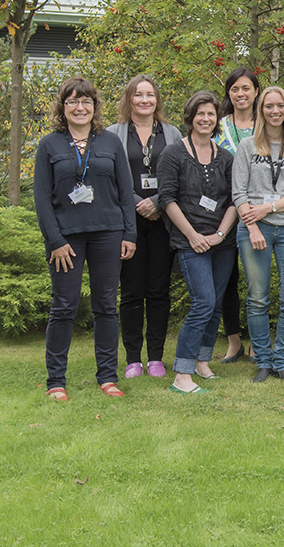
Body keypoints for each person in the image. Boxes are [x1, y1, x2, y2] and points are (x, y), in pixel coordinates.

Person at [34, 77, 136, 401]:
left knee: (106, 306)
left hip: (108, 232)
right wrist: (55, 240)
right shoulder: (49, 145)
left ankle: (107, 377)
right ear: (62, 108)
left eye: (86, 101)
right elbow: (41, 199)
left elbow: (125, 191)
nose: (80, 107)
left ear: (95, 106)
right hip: (66, 239)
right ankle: (55, 382)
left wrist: (130, 233)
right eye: (73, 101)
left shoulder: (110, 142)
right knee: (64, 306)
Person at [158, 91, 238, 394]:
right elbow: (167, 198)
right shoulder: (173, 154)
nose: (205, 119)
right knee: (203, 302)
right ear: (190, 116)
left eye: (211, 114)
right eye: (200, 113)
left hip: (222, 241)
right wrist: (193, 235)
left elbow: (233, 200)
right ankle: (182, 373)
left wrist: (219, 235)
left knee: (215, 304)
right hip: (189, 242)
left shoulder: (226, 157)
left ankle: (203, 361)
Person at [234, 86, 284, 382]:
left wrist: (267, 208)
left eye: (280, 106)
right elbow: (238, 193)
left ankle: (283, 361)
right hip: (254, 230)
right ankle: (264, 362)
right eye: (269, 106)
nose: (275, 111)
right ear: (261, 109)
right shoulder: (247, 147)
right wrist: (253, 225)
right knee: (257, 298)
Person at [107, 75, 181, 380]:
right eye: (138, 95)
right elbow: (111, 176)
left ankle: (156, 358)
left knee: (159, 291)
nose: (145, 100)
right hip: (128, 223)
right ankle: (133, 358)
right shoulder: (114, 134)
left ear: (157, 100)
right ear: (129, 99)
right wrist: (139, 202)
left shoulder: (172, 133)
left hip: (163, 220)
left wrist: (158, 202)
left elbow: (180, 174)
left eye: (150, 95)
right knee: (132, 291)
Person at [213, 67, 261, 363]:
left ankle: (258, 342)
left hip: (259, 211)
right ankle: (233, 342)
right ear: (228, 94)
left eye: (246, 88)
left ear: (256, 91)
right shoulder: (216, 126)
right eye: (235, 89)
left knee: (258, 281)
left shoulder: (266, 123)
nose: (240, 94)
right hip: (221, 212)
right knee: (226, 280)